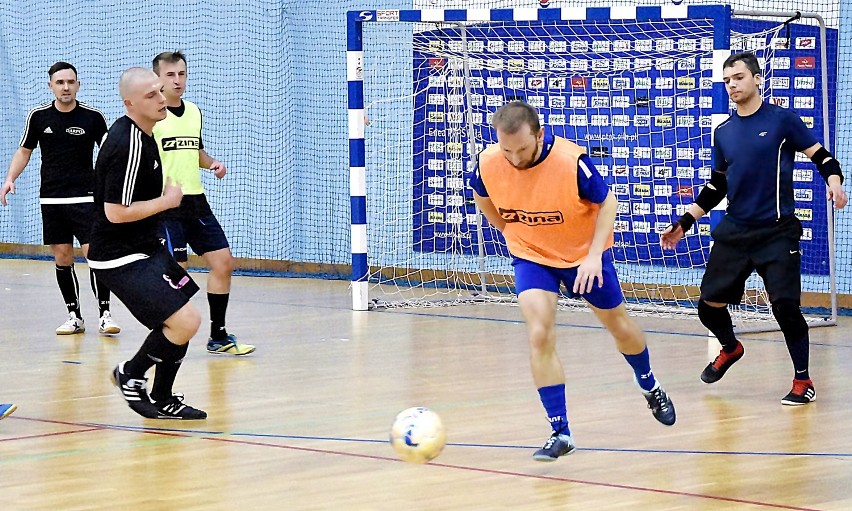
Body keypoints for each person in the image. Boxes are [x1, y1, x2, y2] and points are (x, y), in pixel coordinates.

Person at [470, 101, 676, 462]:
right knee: (539, 333)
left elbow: (608, 203)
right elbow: (482, 195)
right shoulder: (488, 162)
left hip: (583, 257)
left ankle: (648, 383)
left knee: (620, 327)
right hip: (532, 255)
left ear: (539, 135)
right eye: (507, 151)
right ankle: (560, 430)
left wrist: (594, 255)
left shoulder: (571, 161)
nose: (514, 159)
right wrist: (510, 232)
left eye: (522, 149)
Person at [660, 52, 847, 406]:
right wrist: (684, 223)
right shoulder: (724, 132)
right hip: (736, 231)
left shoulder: (782, 121)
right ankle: (730, 348)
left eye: (739, 77)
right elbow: (717, 187)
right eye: (727, 79)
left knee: (785, 307)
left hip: (777, 233)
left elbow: (823, 157)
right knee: (708, 306)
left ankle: (802, 381)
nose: (732, 84)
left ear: (757, 79)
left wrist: (834, 183)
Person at [90, 67, 205, 419]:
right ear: (130, 103)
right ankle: (131, 374)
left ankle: (164, 395)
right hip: (118, 256)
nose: (161, 98)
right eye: (151, 95)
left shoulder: (147, 132)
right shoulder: (128, 144)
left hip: (146, 246)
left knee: (183, 318)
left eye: (160, 90)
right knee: (184, 321)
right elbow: (114, 213)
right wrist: (168, 202)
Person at [1, 62, 121, 335]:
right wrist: (10, 179)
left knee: (95, 254)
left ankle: (105, 314)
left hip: (87, 199)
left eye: (70, 82)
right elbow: (24, 151)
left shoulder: (93, 117)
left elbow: (111, 153)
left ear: (78, 84)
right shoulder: (38, 117)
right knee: (63, 256)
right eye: (60, 82)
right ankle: (74, 315)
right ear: (51, 86)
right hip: (52, 199)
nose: (65, 87)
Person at [150, 51, 254, 356]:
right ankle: (166, 336)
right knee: (177, 272)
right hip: (165, 206)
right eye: (170, 75)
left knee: (224, 262)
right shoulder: (151, 117)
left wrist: (212, 164)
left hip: (196, 201)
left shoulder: (194, 111)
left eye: (181, 74)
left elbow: (195, 151)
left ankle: (218, 336)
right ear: (157, 78)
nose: (177, 80)